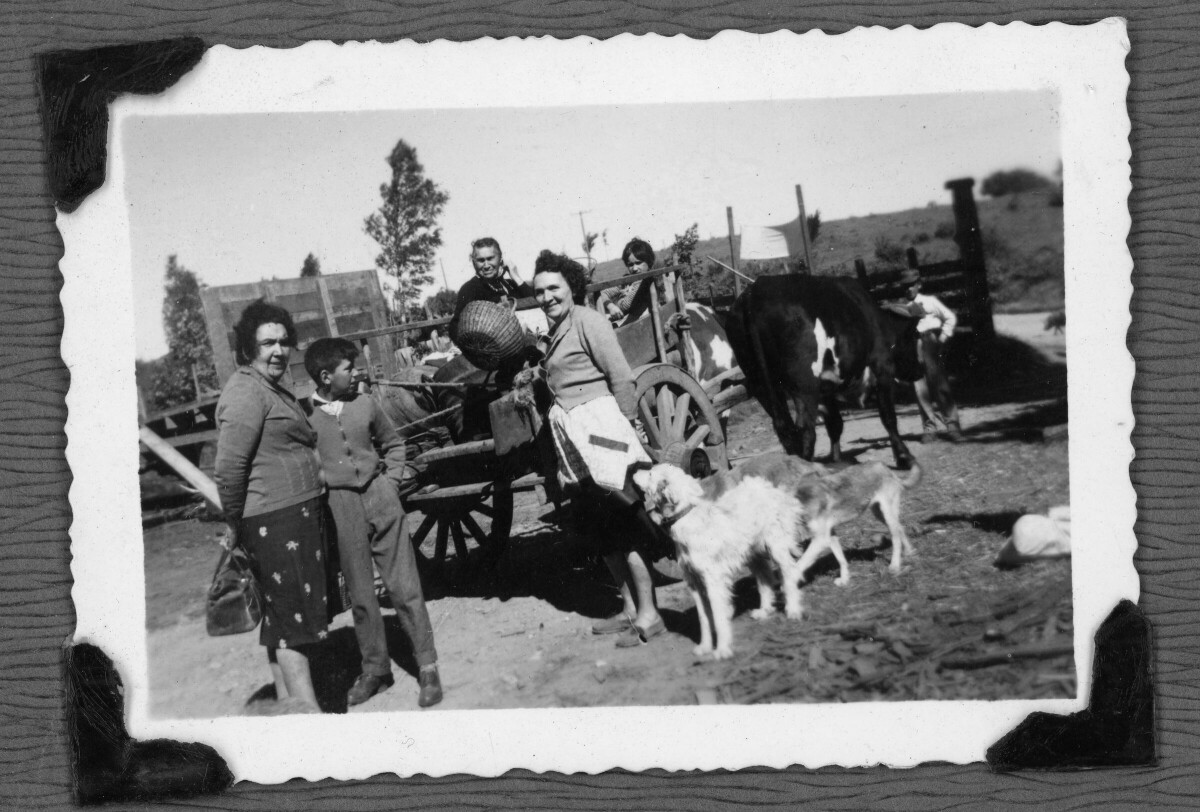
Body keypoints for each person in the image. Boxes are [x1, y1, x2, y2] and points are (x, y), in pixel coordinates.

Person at [531, 249, 671, 648]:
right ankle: (628, 609)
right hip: (574, 438)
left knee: (623, 524)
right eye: (539, 292)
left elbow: (621, 378)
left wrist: (626, 434)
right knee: (600, 528)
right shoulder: (554, 331)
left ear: (570, 286)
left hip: (601, 431)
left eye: (553, 288)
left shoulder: (588, 321)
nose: (547, 297)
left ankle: (650, 614)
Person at [304, 338, 444, 708]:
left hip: (381, 499)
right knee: (362, 594)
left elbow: (394, 444)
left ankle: (427, 665)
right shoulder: (307, 418)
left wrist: (392, 483)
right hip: (341, 507)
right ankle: (375, 670)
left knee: (404, 585)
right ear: (324, 376)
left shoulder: (365, 404)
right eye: (348, 369)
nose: (356, 374)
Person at [214, 299, 328, 712]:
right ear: (248, 349)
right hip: (273, 522)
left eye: (283, 342)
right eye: (267, 344)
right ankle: (309, 715)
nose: (278, 351)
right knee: (293, 623)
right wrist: (233, 523)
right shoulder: (245, 392)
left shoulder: (270, 387)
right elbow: (229, 470)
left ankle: (288, 708)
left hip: (290, 518)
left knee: (283, 620)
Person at [900, 267, 964, 442]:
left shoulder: (929, 302)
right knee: (920, 388)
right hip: (914, 345)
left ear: (919, 285)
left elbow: (950, 317)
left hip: (931, 342)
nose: (908, 289)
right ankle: (929, 428)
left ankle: (952, 425)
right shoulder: (903, 308)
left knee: (940, 383)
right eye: (905, 286)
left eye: (912, 285)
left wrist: (942, 338)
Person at [449, 237, 533, 340]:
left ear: (500, 259)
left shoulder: (509, 284)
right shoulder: (470, 288)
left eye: (490, 258)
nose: (486, 265)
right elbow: (454, 327)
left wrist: (515, 276)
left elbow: (537, 304)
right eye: (480, 260)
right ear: (474, 262)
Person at [598, 237, 658, 323]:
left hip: (640, 323)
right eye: (630, 265)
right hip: (626, 321)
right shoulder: (628, 280)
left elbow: (626, 306)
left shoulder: (647, 281)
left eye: (638, 263)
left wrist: (616, 305)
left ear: (649, 262)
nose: (634, 268)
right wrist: (611, 306)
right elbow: (602, 293)